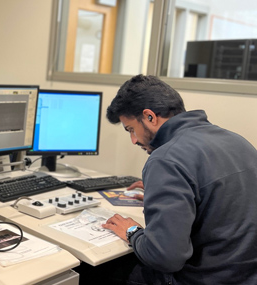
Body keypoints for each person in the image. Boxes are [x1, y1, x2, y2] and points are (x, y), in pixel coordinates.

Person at [101, 74, 257, 284]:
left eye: (131, 129)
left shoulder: (166, 159)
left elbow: (165, 258)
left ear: (149, 117)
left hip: (203, 278)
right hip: (245, 276)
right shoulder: (237, 141)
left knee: (109, 271)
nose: (134, 140)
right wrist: (164, 192)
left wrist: (131, 231)